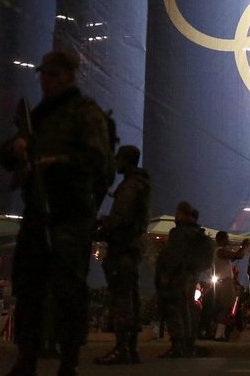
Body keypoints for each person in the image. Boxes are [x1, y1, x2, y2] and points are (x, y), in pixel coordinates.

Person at [0, 49, 113, 376]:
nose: (45, 80)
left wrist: (54, 163)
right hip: (37, 209)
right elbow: (6, 155)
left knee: (68, 288)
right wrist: (16, 148)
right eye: (44, 74)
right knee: (29, 286)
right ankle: (27, 357)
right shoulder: (38, 116)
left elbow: (96, 162)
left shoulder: (85, 114)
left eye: (52, 74)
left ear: (68, 76)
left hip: (70, 211)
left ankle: (68, 360)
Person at [92, 144, 152, 365]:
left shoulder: (130, 186)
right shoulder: (139, 184)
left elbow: (121, 218)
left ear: (126, 160)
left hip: (122, 249)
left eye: (119, 158)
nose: (115, 162)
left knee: (121, 300)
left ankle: (122, 348)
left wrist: (98, 230)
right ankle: (130, 348)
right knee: (130, 298)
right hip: (130, 248)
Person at [154, 201, 209, 357]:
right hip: (190, 277)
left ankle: (178, 345)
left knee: (175, 309)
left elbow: (174, 257)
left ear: (182, 214)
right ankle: (187, 344)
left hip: (177, 277)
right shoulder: (196, 233)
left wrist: (166, 275)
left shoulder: (179, 233)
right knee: (187, 309)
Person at [212, 230, 249, 341]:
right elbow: (238, 255)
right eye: (227, 238)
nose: (228, 240)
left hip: (223, 282)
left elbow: (234, 257)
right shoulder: (220, 251)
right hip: (224, 282)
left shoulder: (220, 252)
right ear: (222, 239)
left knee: (227, 307)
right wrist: (244, 246)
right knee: (226, 307)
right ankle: (219, 334)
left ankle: (221, 333)